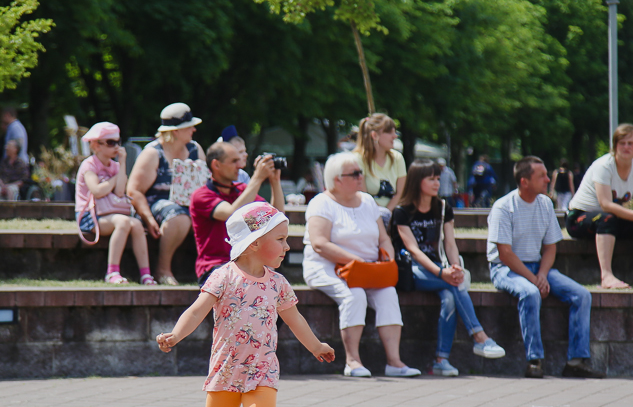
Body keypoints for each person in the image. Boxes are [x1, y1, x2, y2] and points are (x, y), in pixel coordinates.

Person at [157, 203, 335, 407]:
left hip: (262, 374)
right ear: (254, 242)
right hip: (225, 373)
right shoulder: (223, 277)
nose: (287, 247)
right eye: (281, 240)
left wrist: (316, 346)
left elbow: (294, 319)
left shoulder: (278, 283)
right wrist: (176, 335)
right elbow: (196, 311)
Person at [303, 153, 419, 378]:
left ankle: (394, 362)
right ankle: (352, 361)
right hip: (328, 266)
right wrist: (357, 262)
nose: (360, 177)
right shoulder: (321, 203)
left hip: (368, 269)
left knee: (388, 294)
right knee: (354, 294)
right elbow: (319, 244)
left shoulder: (366, 201)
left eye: (360, 173)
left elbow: (383, 237)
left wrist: (387, 256)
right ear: (337, 180)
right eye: (355, 174)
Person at [487, 156, 602, 379]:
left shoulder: (545, 204)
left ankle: (576, 361)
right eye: (541, 176)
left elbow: (550, 247)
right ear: (524, 181)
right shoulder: (503, 207)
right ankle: (534, 361)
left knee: (582, 295)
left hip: (538, 267)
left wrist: (541, 274)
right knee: (530, 293)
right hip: (505, 268)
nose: (548, 179)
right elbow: (505, 254)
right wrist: (533, 279)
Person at [392, 160, 505, 376]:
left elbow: (450, 244)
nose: (437, 183)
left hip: (437, 268)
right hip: (410, 269)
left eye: (438, 178)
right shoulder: (402, 211)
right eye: (431, 179)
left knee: (451, 295)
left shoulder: (443, 208)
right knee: (453, 284)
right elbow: (413, 250)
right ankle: (480, 336)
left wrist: (455, 268)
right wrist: (442, 274)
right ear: (417, 181)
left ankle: (441, 360)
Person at [565, 125, 633, 289]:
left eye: (631, 143)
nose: (626, 147)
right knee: (607, 218)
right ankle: (606, 276)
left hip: (610, 218)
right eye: (622, 143)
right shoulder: (604, 166)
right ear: (615, 145)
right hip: (579, 217)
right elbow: (605, 204)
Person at [127, 102, 207, 285]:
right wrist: (148, 219)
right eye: (190, 127)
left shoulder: (195, 149)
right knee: (179, 216)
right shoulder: (153, 153)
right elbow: (135, 191)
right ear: (176, 131)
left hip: (192, 204)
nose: (194, 130)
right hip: (159, 204)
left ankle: (214, 269)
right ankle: (163, 269)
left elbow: (205, 183)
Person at [190, 141, 284, 284]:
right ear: (216, 165)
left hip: (248, 264)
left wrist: (275, 181)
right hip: (215, 267)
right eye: (234, 161)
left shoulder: (242, 191)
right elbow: (230, 214)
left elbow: (276, 218)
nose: (240, 166)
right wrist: (257, 178)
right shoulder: (201, 195)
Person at [76, 122, 156, 285]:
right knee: (124, 221)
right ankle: (112, 272)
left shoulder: (115, 165)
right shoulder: (89, 165)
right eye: (111, 143)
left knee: (137, 225)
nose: (116, 147)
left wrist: (123, 162)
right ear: (95, 145)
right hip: (90, 216)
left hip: (110, 213)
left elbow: (119, 192)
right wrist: (115, 178)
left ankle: (146, 274)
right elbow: (97, 190)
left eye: (118, 142)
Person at [353, 113, 406, 221]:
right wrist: (379, 214)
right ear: (374, 136)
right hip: (366, 216)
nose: (395, 136)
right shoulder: (357, 159)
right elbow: (363, 195)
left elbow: (401, 193)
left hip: (394, 216)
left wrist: (387, 213)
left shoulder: (398, 158)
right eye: (389, 132)